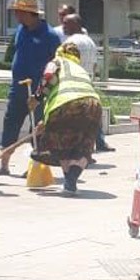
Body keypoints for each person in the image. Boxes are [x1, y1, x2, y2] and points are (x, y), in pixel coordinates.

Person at [0, 0, 61, 175]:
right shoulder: (20, 31)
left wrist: (44, 92)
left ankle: (37, 167)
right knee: (10, 125)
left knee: (38, 129)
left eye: (19, 12)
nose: (16, 15)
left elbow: (56, 65)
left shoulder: (50, 35)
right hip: (18, 89)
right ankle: (3, 165)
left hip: (39, 93)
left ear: (29, 13)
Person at [32, 41, 103, 193]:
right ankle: (70, 182)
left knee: (60, 145)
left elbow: (48, 76)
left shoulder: (57, 61)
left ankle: (69, 181)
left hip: (66, 104)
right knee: (84, 147)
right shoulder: (80, 69)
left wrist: (36, 98)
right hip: (93, 106)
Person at [60, 11, 112, 154]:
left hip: (73, 86)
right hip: (87, 83)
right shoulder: (90, 42)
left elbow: (64, 65)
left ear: (75, 25)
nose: (63, 27)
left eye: (66, 23)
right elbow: (95, 65)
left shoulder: (70, 43)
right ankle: (95, 145)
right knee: (90, 117)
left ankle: (77, 151)